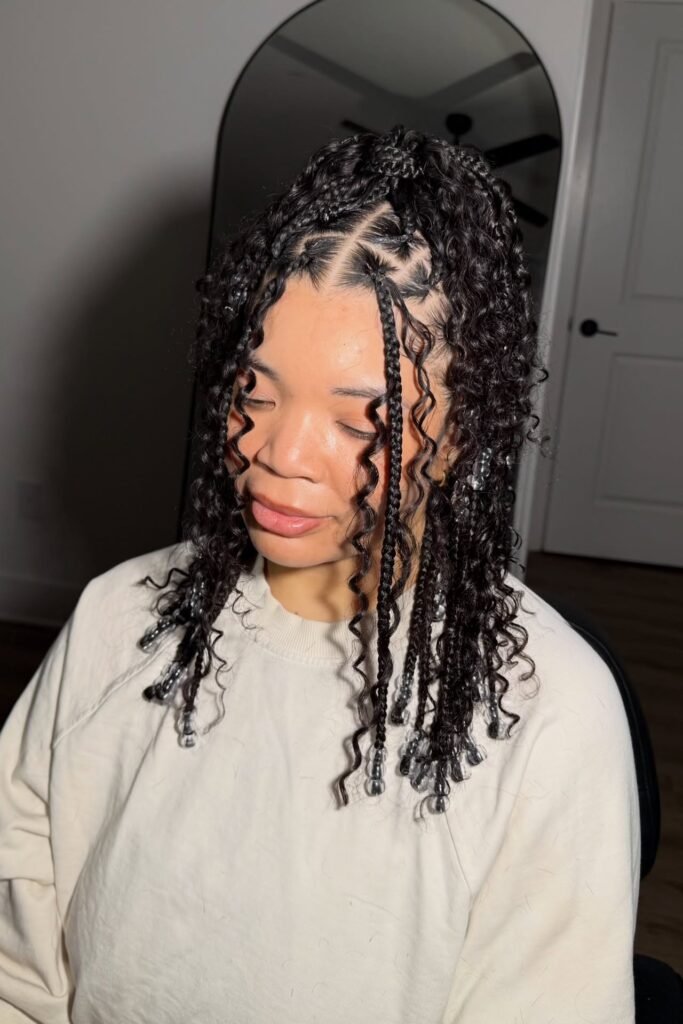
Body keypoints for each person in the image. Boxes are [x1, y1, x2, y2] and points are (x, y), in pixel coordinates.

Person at [0, 126, 640, 1023]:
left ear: (462, 433)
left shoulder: (551, 712)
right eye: (254, 393)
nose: (278, 454)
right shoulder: (118, 617)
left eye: (360, 421)